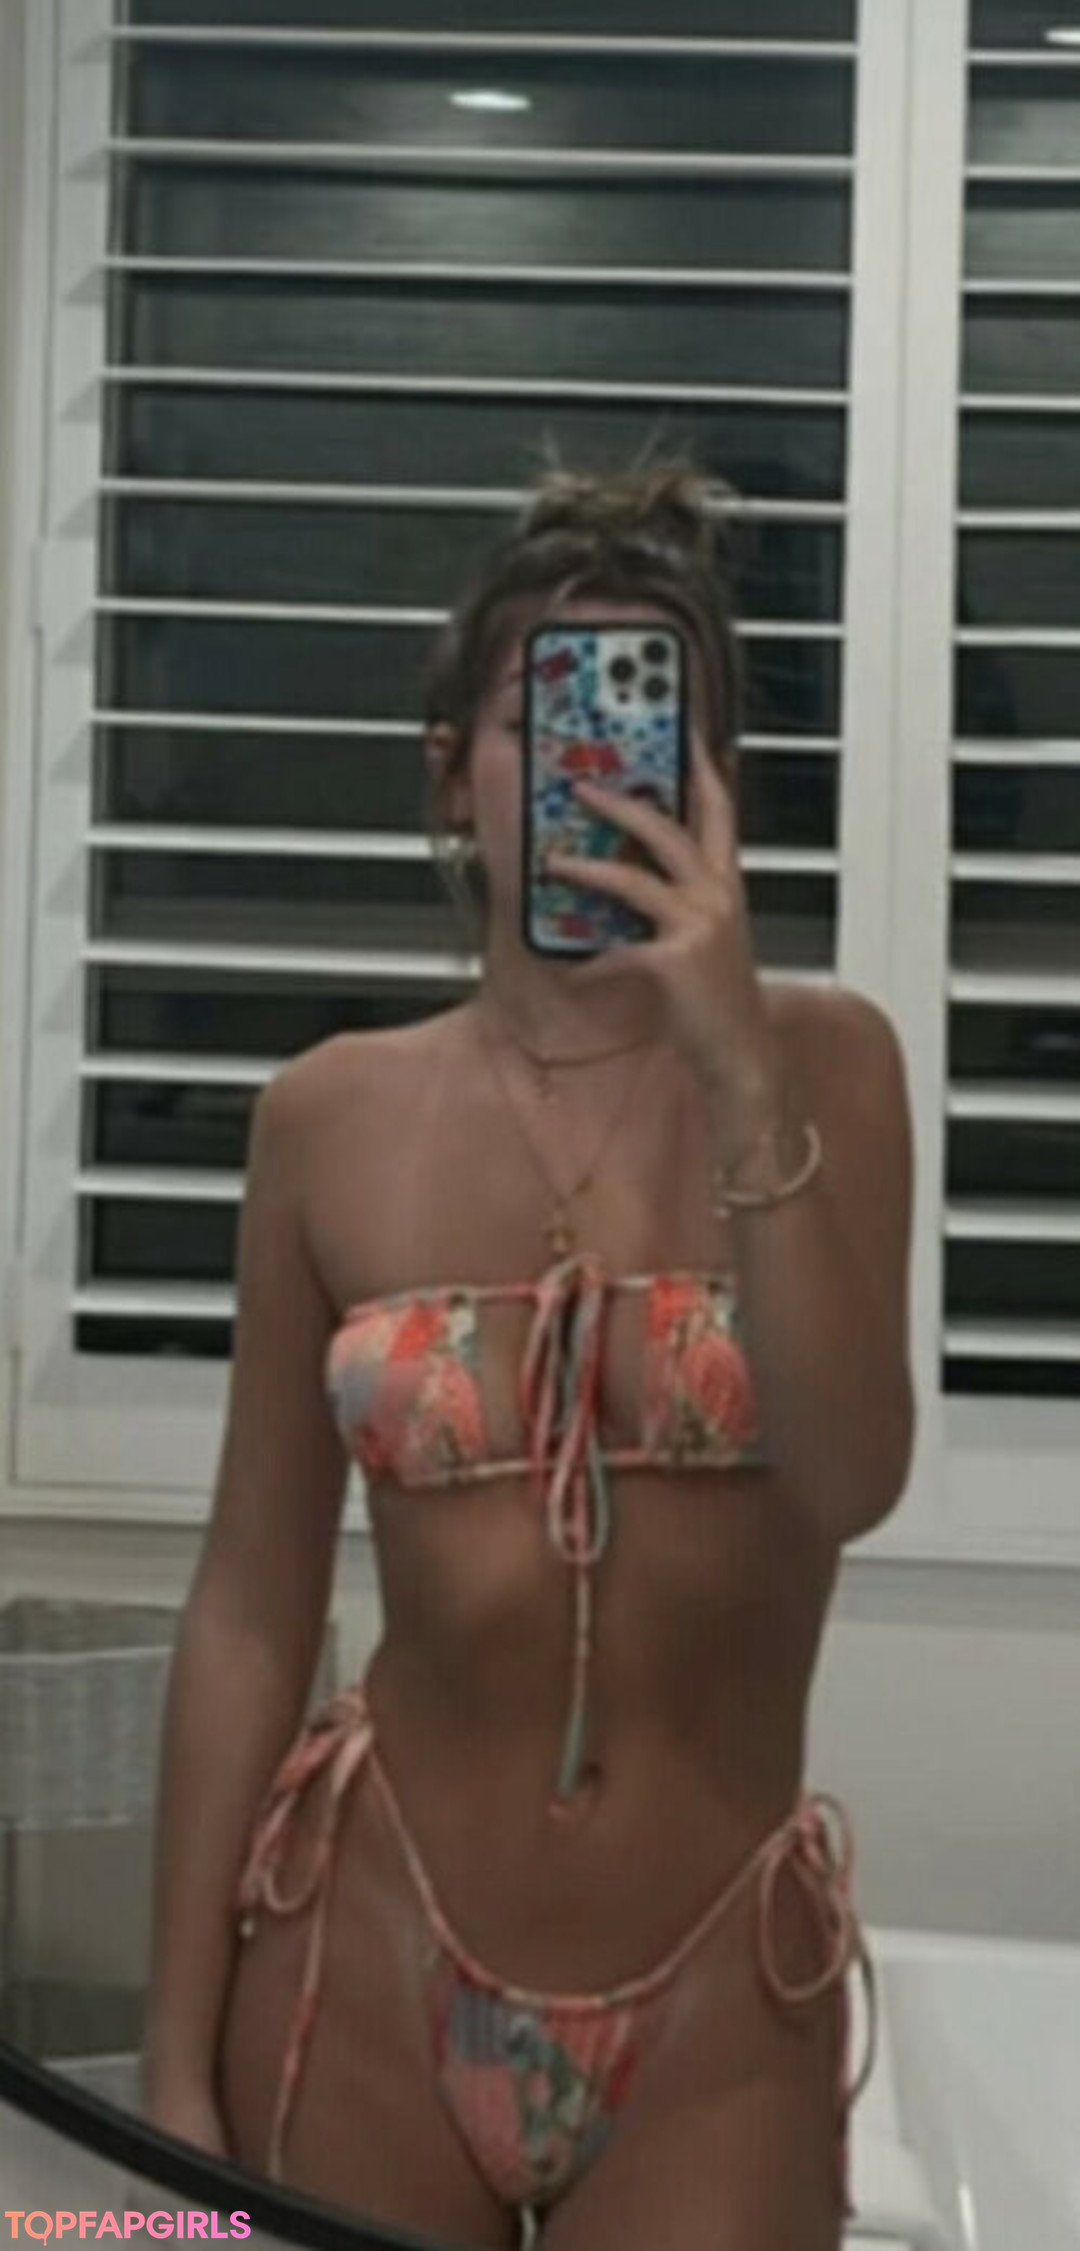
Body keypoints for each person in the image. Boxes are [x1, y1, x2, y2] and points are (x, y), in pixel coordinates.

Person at [140, 458, 915, 2251]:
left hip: (719, 1996)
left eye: (656, 725)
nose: (599, 768)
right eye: (541, 719)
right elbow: (250, 1602)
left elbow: (854, 1477)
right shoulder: (326, 1119)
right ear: (451, 775)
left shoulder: (829, 1069)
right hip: (363, 1955)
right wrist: (171, 2072)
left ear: (719, 782)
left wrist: (732, 1065)